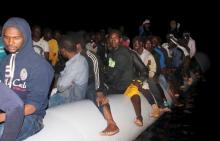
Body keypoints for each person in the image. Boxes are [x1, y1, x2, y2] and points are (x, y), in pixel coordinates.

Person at [0, 17, 54, 141]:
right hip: (7, 111)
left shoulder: (40, 66)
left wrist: (2, 117)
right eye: (6, 37)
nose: (10, 42)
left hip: (31, 117)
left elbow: (33, 106)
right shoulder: (4, 63)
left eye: (16, 38)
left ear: (25, 37)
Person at [49, 34, 88, 107]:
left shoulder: (75, 65)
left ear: (63, 51)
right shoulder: (79, 58)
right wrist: (64, 80)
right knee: (57, 77)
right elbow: (62, 74)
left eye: (60, 50)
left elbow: (60, 87)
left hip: (73, 98)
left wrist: (60, 81)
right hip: (70, 91)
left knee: (49, 102)